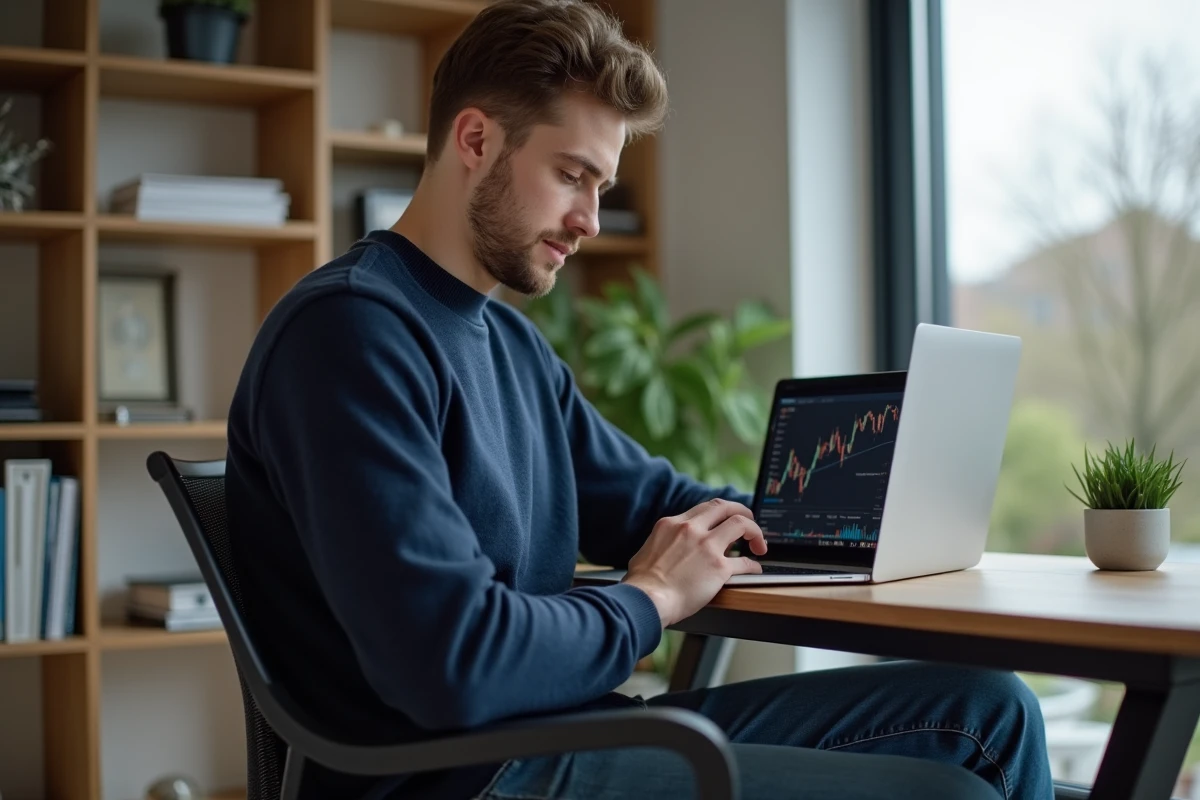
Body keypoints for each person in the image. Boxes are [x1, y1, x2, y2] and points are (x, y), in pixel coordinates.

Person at [224, 0, 1054, 798]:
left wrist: (846, 532)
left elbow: (657, 505)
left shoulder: (509, 345)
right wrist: (651, 598)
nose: (589, 218)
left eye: (603, 187)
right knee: (944, 792)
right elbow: (453, 664)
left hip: (566, 737)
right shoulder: (350, 336)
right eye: (572, 175)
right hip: (463, 778)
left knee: (988, 708)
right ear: (474, 138)